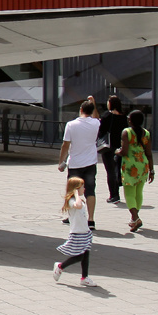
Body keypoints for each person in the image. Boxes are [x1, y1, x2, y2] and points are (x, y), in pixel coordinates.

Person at [57, 98, 100, 230]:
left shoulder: (71, 125)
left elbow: (66, 145)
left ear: (80, 110)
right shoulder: (96, 123)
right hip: (91, 162)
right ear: (92, 111)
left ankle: (72, 216)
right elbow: (96, 116)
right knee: (90, 190)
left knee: (72, 191)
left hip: (75, 163)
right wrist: (93, 103)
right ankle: (91, 219)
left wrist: (61, 161)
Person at [53, 176, 97, 287]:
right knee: (80, 255)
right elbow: (77, 206)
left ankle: (84, 277)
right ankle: (60, 266)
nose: (84, 189)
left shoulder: (80, 201)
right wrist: (76, 195)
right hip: (77, 233)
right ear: (76, 189)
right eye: (82, 187)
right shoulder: (72, 201)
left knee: (86, 254)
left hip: (84, 232)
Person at [120, 109, 154, 232]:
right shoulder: (146, 133)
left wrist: (116, 152)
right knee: (139, 192)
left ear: (131, 120)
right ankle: (134, 219)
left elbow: (124, 151)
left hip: (130, 166)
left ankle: (135, 217)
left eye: (129, 118)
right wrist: (152, 170)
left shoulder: (127, 132)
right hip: (143, 165)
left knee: (129, 192)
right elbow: (149, 153)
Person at [98, 95, 126, 204]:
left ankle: (114, 195)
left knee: (110, 171)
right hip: (120, 146)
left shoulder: (107, 116)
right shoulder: (124, 117)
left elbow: (101, 131)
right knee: (117, 170)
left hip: (108, 147)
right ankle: (117, 192)